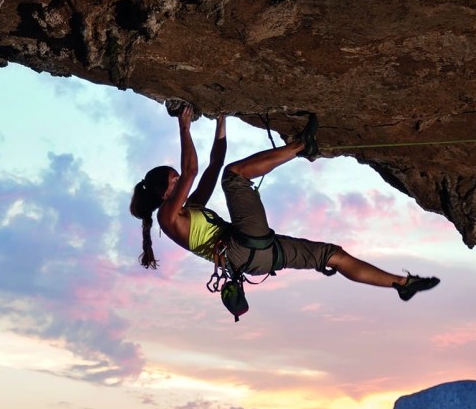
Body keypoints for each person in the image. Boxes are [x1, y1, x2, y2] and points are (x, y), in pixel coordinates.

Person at [129, 105, 440, 301]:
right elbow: (193, 170)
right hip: (241, 247)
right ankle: (303, 145)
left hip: (257, 257)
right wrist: (183, 127)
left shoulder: (189, 209)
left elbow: (212, 165)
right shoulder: (168, 220)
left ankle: (401, 283)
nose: (180, 181)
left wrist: (221, 119)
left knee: (333, 255)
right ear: (162, 194)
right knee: (234, 177)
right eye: (173, 181)